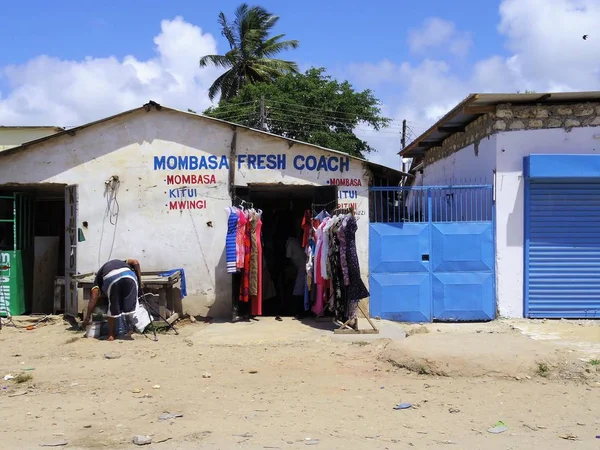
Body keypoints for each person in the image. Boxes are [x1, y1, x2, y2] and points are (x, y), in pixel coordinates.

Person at [83, 258, 142, 341]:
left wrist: (87, 318)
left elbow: (93, 298)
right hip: (129, 276)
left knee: (112, 308)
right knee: (132, 304)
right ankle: (133, 328)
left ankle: (111, 335)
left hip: (111, 278)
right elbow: (135, 262)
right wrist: (139, 281)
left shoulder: (98, 278)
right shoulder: (123, 262)